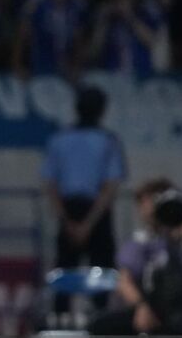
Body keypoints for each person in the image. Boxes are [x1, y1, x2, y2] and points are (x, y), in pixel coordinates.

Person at [41, 86, 126, 316]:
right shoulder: (108, 141)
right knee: (97, 274)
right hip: (95, 212)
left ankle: (61, 320)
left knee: (67, 272)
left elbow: (51, 185)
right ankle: (98, 322)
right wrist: (88, 224)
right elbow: (110, 186)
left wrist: (67, 221)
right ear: (102, 111)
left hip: (70, 212)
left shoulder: (59, 139)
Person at [88, 177, 174, 336]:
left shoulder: (177, 240)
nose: (147, 208)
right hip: (142, 309)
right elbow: (124, 281)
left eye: (152, 201)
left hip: (175, 309)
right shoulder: (138, 243)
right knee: (99, 326)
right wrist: (141, 307)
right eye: (142, 203)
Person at [12, 0, 87, 78]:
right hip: (41, 73)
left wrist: (77, 67)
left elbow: (79, 41)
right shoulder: (37, 1)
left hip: (67, 75)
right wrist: (17, 66)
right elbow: (21, 35)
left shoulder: (77, 5)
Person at [89, 0, 165, 76]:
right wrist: (103, 21)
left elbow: (153, 42)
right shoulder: (104, 9)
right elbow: (94, 50)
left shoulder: (147, 8)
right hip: (111, 75)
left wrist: (129, 17)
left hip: (141, 76)